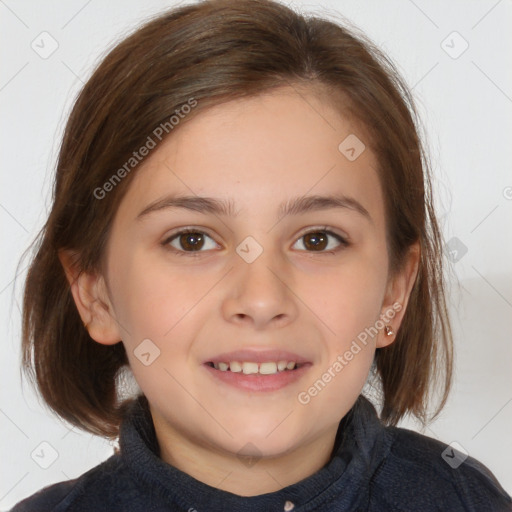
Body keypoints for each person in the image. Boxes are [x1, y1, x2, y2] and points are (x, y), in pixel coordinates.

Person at [12, 0, 511, 510]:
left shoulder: (466, 499)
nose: (261, 299)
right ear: (95, 293)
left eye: (318, 239)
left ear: (394, 293)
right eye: (192, 240)